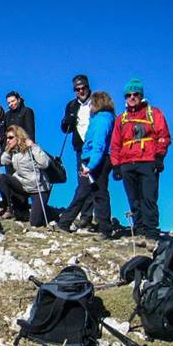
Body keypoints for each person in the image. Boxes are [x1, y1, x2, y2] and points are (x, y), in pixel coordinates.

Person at [110, 79, 171, 240]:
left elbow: (163, 136)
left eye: (135, 94)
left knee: (149, 197)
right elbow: (115, 143)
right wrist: (116, 166)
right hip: (127, 163)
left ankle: (151, 231)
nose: (132, 97)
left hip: (148, 160)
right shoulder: (121, 119)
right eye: (128, 95)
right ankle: (139, 229)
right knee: (134, 199)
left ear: (141, 95)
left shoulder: (154, 113)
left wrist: (159, 157)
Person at [57, 91, 115, 237]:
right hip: (93, 159)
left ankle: (66, 222)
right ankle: (103, 228)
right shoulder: (100, 118)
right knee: (94, 192)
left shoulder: (103, 120)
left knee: (94, 192)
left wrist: (90, 165)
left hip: (97, 161)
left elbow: (99, 144)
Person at [0, 125, 54, 227]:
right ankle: (10, 208)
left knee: (35, 223)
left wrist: (33, 146)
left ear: (18, 137)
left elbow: (45, 163)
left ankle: (48, 211)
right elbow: (3, 161)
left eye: (11, 138)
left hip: (39, 188)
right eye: (7, 138)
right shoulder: (14, 151)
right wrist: (7, 149)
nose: (8, 140)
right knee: (2, 178)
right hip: (23, 185)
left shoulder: (31, 148)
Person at [60, 74, 94, 227]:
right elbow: (65, 129)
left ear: (88, 87)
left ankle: (83, 217)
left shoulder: (97, 101)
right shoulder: (71, 105)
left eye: (83, 88)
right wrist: (67, 121)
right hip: (81, 148)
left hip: (97, 147)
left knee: (94, 183)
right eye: (77, 89)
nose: (81, 91)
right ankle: (85, 217)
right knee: (84, 181)